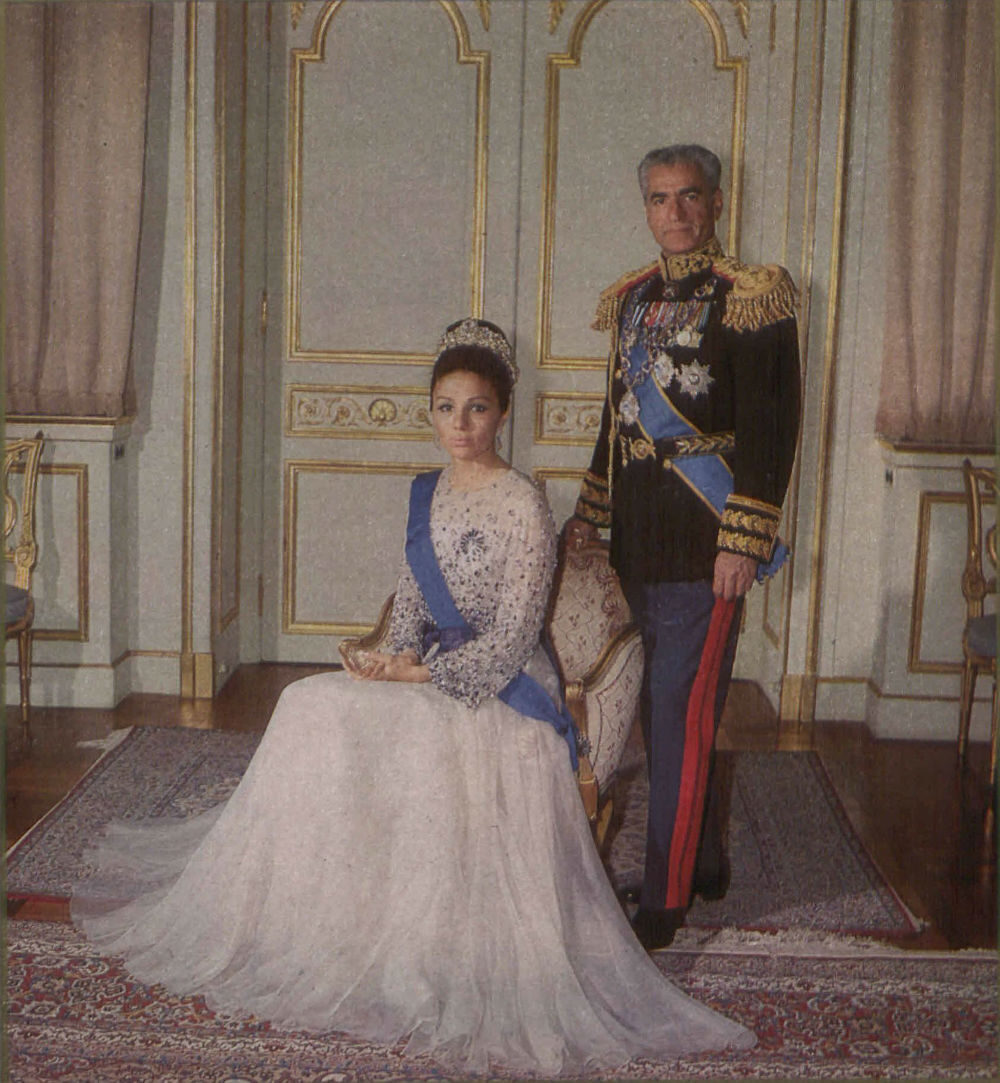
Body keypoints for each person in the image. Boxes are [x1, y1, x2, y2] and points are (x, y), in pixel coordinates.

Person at [73, 318, 755, 1076]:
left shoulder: (523, 502)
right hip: (426, 666)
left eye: (477, 408)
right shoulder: (428, 493)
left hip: (504, 687)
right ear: (430, 412)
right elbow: (412, 600)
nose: (460, 425)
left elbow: (516, 635)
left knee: (423, 740)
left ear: (502, 412)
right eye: (445, 408)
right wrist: (389, 653)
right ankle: (324, 920)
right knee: (307, 704)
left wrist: (422, 676)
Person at [565, 145, 801, 950]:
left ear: (717, 202)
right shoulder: (631, 300)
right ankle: (700, 858)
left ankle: (664, 902)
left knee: (681, 715)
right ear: (647, 209)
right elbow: (618, 420)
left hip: (708, 545)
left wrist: (743, 539)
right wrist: (590, 514)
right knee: (657, 715)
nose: (675, 213)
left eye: (690, 196)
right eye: (660, 199)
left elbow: (772, 431)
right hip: (639, 543)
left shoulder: (753, 298)